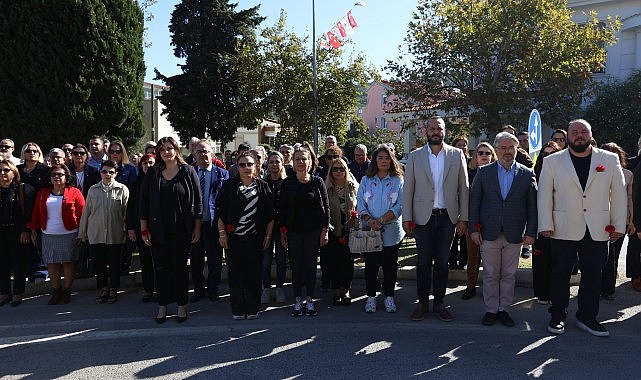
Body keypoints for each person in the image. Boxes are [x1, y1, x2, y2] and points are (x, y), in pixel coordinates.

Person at [538, 119, 627, 337]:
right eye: (575, 132)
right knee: (559, 274)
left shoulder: (609, 158)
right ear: (567, 136)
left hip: (598, 229)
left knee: (593, 275)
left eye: (584, 132)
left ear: (590, 134)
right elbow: (544, 195)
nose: (579, 135)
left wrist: (617, 225)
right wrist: (545, 224)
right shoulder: (552, 161)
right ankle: (557, 315)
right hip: (562, 227)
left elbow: (619, 194)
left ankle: (587, 317)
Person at [403, 116, 469, 322]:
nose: (435, 132)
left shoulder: (457, 155)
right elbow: (408, 190)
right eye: (431, 128)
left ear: (445, 131)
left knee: (442, 263)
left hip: (447, 218)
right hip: (423, 219)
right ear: (425, 131)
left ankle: (439, 303)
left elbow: (464, 189)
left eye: (438, 128)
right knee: (423, 263)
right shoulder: (415, 156)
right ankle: (422, 303)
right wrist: (407, 218)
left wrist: (464, 218)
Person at [469, 132, 538, 327]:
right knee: (491, 274)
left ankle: (505, 309)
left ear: (517, 149)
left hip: (515, 233)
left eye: (511, 148)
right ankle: (491, 310)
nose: (507, 152)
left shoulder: (527, 173)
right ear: (496, 150)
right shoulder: (484, 172)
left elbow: (532, 206)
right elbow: (474, 203)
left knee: (509, 274)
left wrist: (531, 231)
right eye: (503, 148)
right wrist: (474, 229)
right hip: (489, 232)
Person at [139, 137, 202, 324]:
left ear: (176, 150)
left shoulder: (188, 172)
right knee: (162, 269)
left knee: (180, 268)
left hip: (181, 231)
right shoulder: (153, 173)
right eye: (162, 149)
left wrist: (197, 227)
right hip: (158, 231)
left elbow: (197, 203)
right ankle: (163, 305)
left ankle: (182, 305)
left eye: (169, 148)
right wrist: (144, 229)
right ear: (158, 152)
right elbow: (144, 202)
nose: (166, 152)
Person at [216, 152, 274, 319]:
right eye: (242, 165)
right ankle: (238, 309)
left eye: (249, 164)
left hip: (255, 238)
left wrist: (268, 237)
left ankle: (253, 307)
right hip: (234, 239)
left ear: (256, 166)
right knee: (235, 274)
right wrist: (222, 234)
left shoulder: (262, 186)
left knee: (254, 275)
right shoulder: (229, 186)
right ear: (236, 167)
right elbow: (220, 212)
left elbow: (270, 216)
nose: (246, 168)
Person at [280, 143, 330, 317]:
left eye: (304, 159)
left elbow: (326, 208)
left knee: (310, 266)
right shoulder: (287, 183)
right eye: (297, 159)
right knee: (296, 267)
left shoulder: (318, 181)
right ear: (292, 162)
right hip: (293, 232)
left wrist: (325, 230)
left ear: (310, 162)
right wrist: (283, 232)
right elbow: (283, 209)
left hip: (313, 231)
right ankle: (297, 301)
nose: (301, 162)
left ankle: (309, 300)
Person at [29, 164, 85, 305]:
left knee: (68, 262)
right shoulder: (43, 193)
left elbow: (83, 213)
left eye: (60, 174)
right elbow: (36, 212)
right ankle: (56, 291)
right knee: (52, 263)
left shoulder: (74, 192)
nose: (56, 177)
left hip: (70, 233)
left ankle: (67, 291)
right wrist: (34, 230)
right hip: (48, 234)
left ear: (67, 177)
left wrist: (82, 233)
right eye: (54, 174)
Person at [357, 145, 404, 313]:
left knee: (390, 266)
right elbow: (360, 203)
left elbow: (400, 205)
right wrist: (370, 220)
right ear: (374, 160)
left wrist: (382, 220)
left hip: (391, 231)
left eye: (387, 158)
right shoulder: (366, 180)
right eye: (380, 158)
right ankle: (371, 297)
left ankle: (389, 297)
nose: (384, 161)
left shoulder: (398, 180)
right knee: (371, 266)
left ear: (391, 160)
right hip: (371, 231)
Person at [78, 160, 129, 304]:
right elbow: (86, 212)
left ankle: (113, 289)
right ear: (100, 172)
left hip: (115, 232)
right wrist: (83, 232)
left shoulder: (122, 189)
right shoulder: (93, 190)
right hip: (96, 233)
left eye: (111, 172)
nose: (107, 174)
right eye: (104, 171)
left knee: (114, 263)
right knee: (99, 264)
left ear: (116, 174)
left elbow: (126, 213)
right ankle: (103, 289)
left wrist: (125, 232)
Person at [190, 139, 229, 303]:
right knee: (196, 261)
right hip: (195, 225)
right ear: (194, 154)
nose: (202, 155)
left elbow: (226, 201)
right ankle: (198, 289)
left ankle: (213, 289)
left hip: (214, 225)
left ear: (212, 154)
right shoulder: (189, 172)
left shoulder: (222, 174)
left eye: (205, 151)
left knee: (215, 261)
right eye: (199, 152)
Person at [461, 142, 497, 300]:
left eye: (487, 153)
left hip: (492, 222)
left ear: (492, 156)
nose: (484, 156)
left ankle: (490, 290)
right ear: (475, 156)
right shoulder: (468, 173)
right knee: (473, 256)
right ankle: (470, 286)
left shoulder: (497, 173)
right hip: (472, 221)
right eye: (480, 153)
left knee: (491, 259)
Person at [599, 142, 634, 300]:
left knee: (613, 255)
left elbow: (630, 199)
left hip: (619, 220)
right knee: (598, 255)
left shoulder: (627, 174)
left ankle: (608, 289)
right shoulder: (596, 172)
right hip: (598, 219)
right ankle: (595, 287)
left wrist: (631, 221)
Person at [0, 160, 36, 307]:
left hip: (17, 232)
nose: (2, 173)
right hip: (1, 232)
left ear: (14, 172)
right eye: (0, 170)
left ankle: (17, 292)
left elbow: (28, 213)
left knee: (18, 262)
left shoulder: (23, 189)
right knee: (2, 264)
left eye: (6, 170)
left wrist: (26, 230)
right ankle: (4, 292)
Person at [531, 141, 562, 304]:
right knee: (541, 261)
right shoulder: (534, 174)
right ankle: (542, 293)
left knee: (558, 262)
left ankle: (555, 293)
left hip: (562, 225)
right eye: (545, 154)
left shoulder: (565, 174)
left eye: (553, 154)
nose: (548, 157)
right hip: (540, 226)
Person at [326, 157, 359, 306]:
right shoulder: (325, 188)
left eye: (342, 168)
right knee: (333, 262)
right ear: (330, 171)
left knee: (348, 262)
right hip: (332, 231)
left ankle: (346, 289)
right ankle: (336, 290)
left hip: (349, 230)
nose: (339, 171)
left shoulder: (353, 187)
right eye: (335, 169)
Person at [126, 153, 157, 302]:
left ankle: (160, 288)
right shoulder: (136, 183)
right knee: (145, 260)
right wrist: (131, 227)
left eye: (151, 163)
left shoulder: (161, 180)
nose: (148, 166)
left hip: (159, 227)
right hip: (141, 227)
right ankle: (148, 289)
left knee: (159, 260)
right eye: (145, 163)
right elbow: (131, 207)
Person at [261, 151, 288, 304]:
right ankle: (266, 288)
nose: (274, 165)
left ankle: (279, 288)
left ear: (282, 163)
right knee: (265, 260)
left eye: (277, 162)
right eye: (271, 162)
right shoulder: (263, 183)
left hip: (282, 228)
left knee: (281, 259)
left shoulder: (287, 183)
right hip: (266, 228)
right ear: (267, 164)